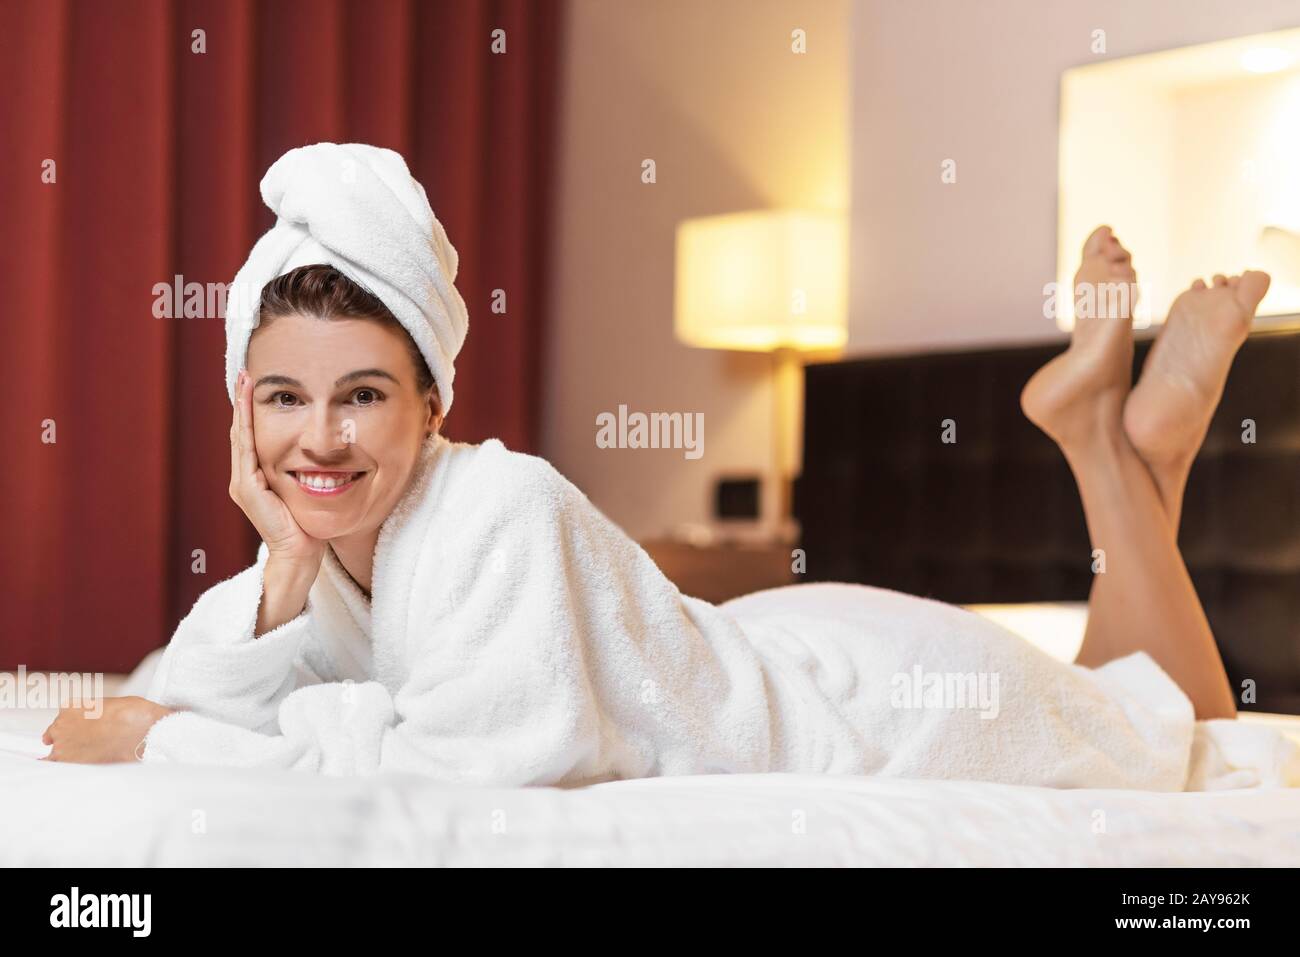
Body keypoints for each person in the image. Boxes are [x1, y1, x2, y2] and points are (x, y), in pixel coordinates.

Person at [40, 145, 1269, 790]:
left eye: (362, 397)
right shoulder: (323, 553)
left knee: (1183, 731)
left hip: (869, 704)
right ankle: (1126, 449)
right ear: (238, 410)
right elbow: (194, 683)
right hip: (788, 639)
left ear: (431, 404)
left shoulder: (497, 507)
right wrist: (285, 561)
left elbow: (476, 769)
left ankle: (1112, 448)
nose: (319, 438)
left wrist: (170, 749)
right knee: (1138, 690)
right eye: (282, 400)